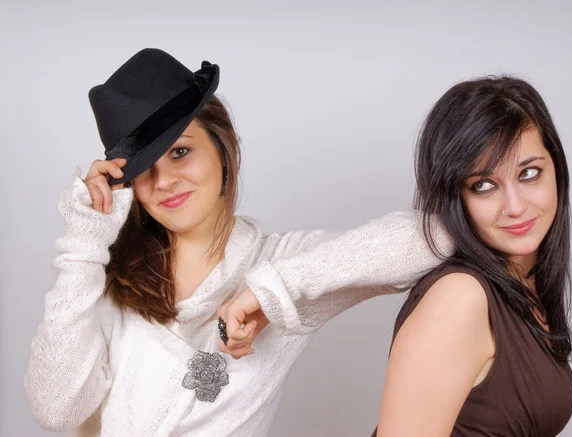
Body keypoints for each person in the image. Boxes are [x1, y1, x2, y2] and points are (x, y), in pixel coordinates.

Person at [25, 48, 453, 437]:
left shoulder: (279, 265)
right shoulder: (106, 278)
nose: (165, 180)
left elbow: (434, 236)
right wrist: (83, 246)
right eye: (143, 169)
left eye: (179, 152)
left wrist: (269, 290)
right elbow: (57, 411)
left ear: (222, 148)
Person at [370, 76, 572, 436]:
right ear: (455, 197)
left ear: (556, 170)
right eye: (483, 185)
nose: (514, 206)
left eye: (529, 174)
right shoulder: (461, 297)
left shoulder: (522, 283)